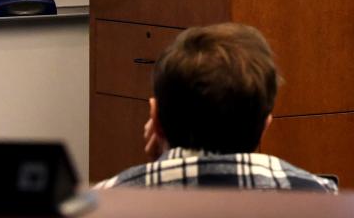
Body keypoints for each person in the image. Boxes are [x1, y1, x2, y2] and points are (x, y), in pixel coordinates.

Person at [94, 22, 338, 192]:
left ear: (155, 117)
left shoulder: (105, 201)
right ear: (265, 124)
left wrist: (163, 165)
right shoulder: (320, 196)